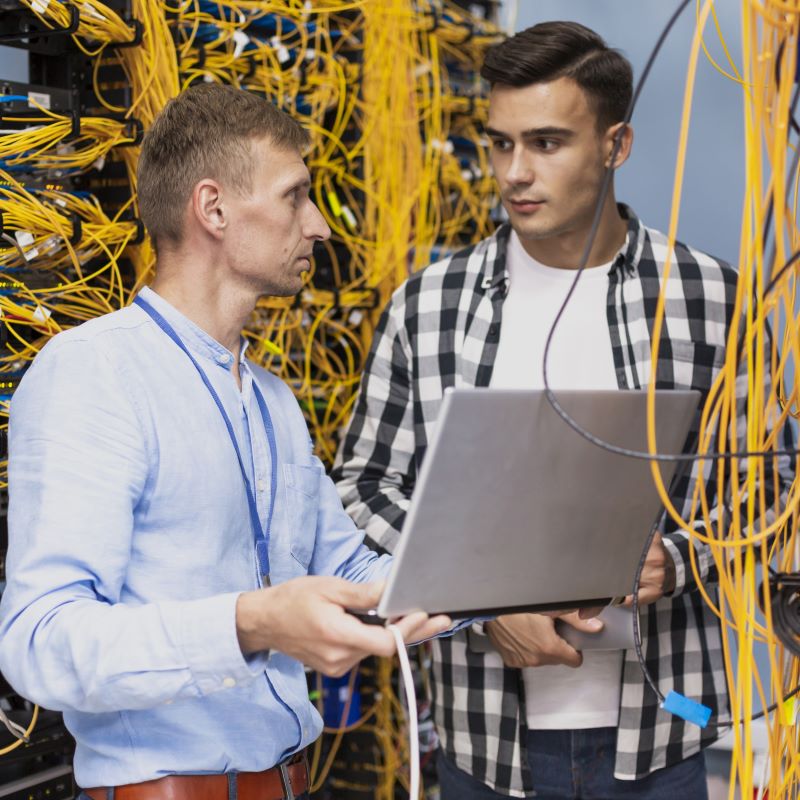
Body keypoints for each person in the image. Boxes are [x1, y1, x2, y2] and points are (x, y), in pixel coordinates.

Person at [332, 20, 794, 800]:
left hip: (659, 735)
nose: (515, 172)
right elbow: (360, 486)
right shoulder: (429, 306)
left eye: (547, 143)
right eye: (500, 143)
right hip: (484, 744)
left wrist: (678, 559)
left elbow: (767, 482)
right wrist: (477, 603)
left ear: (616, 145)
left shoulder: (711, 300)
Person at [0, 84, 450, 800]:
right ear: (212, 209)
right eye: (296, 197)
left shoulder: (271, 400)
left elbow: (362, 577)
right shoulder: (94, 374)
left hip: (293, 782)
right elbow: (42, 645)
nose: (321, 227)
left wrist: (523, 582)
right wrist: (251, 623)